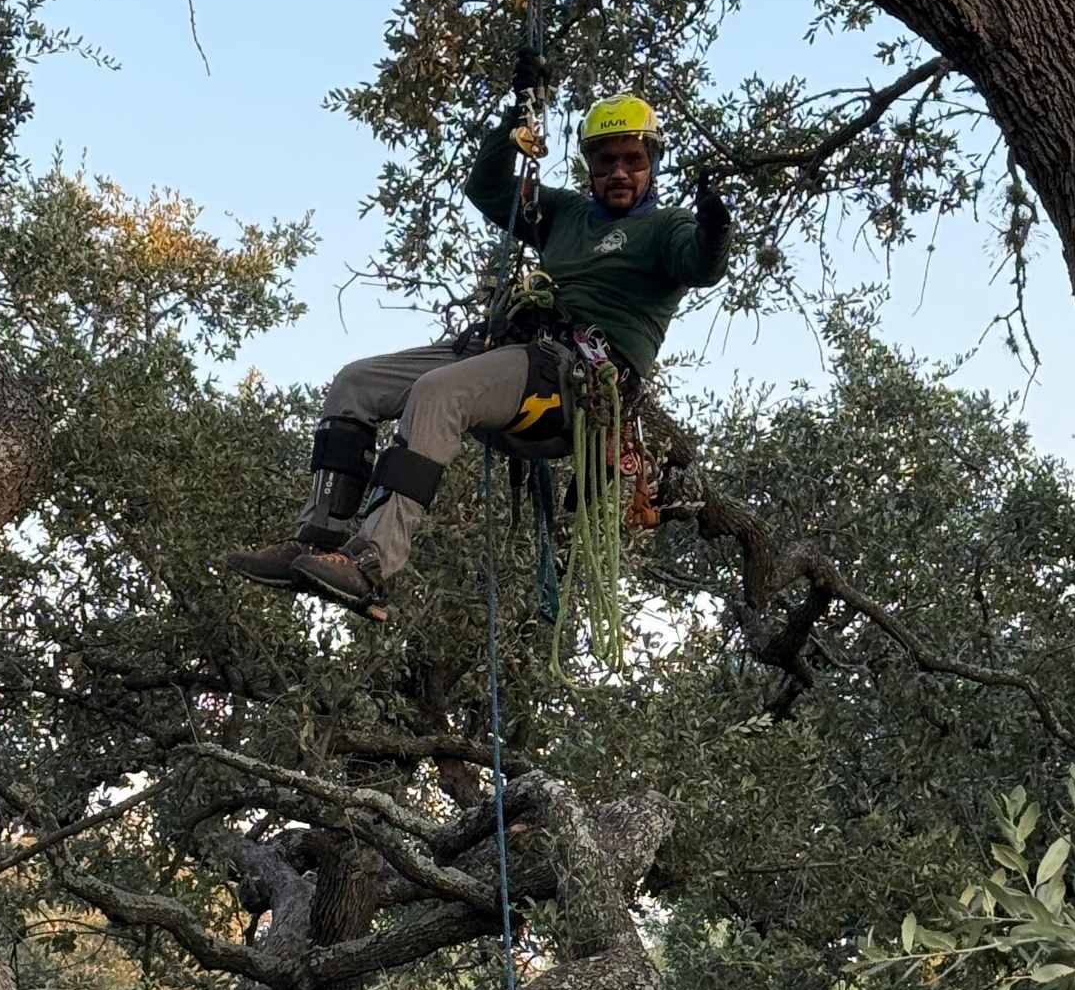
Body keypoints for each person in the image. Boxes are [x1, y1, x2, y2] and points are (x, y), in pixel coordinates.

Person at [228, 54, 732, 617]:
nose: (619, 173)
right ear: (589, 166)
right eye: (607, 161)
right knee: (356, 384)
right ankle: (316, 542)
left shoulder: (668, 228)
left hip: (578, 379)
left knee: (441, 392)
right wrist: (515, 119)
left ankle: (373, 562)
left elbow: (700, 266)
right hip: (519, 346)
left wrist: (715, 228)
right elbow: (485, 188)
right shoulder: (563, 213)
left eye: (632, 161)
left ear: (650, 165)